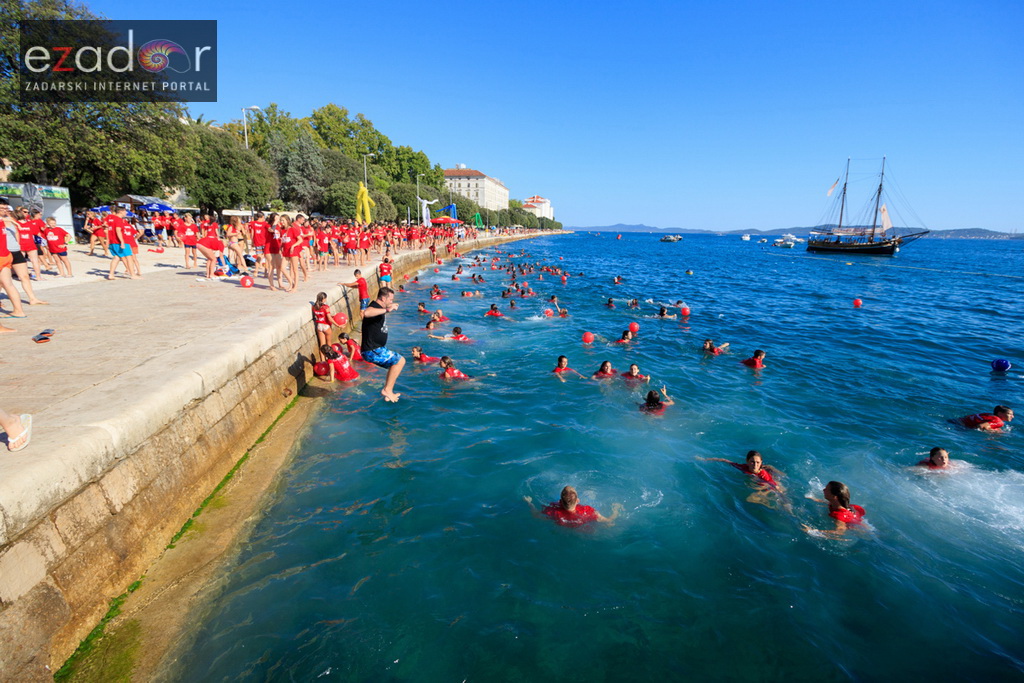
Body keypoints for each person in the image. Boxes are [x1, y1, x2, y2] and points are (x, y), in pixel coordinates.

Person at [698, 450, 788, 508]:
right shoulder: (743, 467)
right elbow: (724, 460)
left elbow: (774, 486)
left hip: (767, 485)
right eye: (752, 462)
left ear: (761, 463)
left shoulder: (763, 475)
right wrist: (704, 459)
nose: (755, 465)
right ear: (747, 461)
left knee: (751, 498)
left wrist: (784, 500)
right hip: (758, 481)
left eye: (757, 462)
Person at [361, 287, 405, 402]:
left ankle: (388, 392)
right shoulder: (375, 306)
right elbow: (366, 312)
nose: (391, 302)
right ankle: (387, 390)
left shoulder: (379, 308)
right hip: (372, 350)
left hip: (377, 349)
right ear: (383, 298)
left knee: (395, 364)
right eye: (390, 299)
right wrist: (387, 310)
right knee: (400, 361)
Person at [524, 486, 622, 527]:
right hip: (584, 528)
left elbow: (536, 515)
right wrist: (616, 509)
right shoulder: (587, 511)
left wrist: (529, 503)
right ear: (578, 501)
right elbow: (608, 520)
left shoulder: (553, 511)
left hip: (563, 524)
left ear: (560, 501)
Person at [312, 292, 333, 357]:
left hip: (319, 326)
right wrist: (338, 325)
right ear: (323, 299)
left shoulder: (314, 307)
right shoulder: (326, 307)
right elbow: (329, 318)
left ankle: (322, 361)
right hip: (326, 326)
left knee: (322, 346)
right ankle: (330, 359)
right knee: (329, 344)